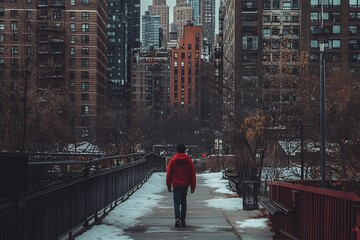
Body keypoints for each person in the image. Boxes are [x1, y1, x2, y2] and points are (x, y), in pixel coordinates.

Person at [166, 144, 196, 227]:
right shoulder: (189, 161)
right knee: (183, 201)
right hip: (185, 184)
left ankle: (177, 218)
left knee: (176, 201)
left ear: (177, 150)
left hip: (176, 184)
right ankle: (183, 219)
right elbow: (192, 174)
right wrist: (193, 186)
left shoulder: (173, 160)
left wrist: (168, 185)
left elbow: (169, 173)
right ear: (184, 150)